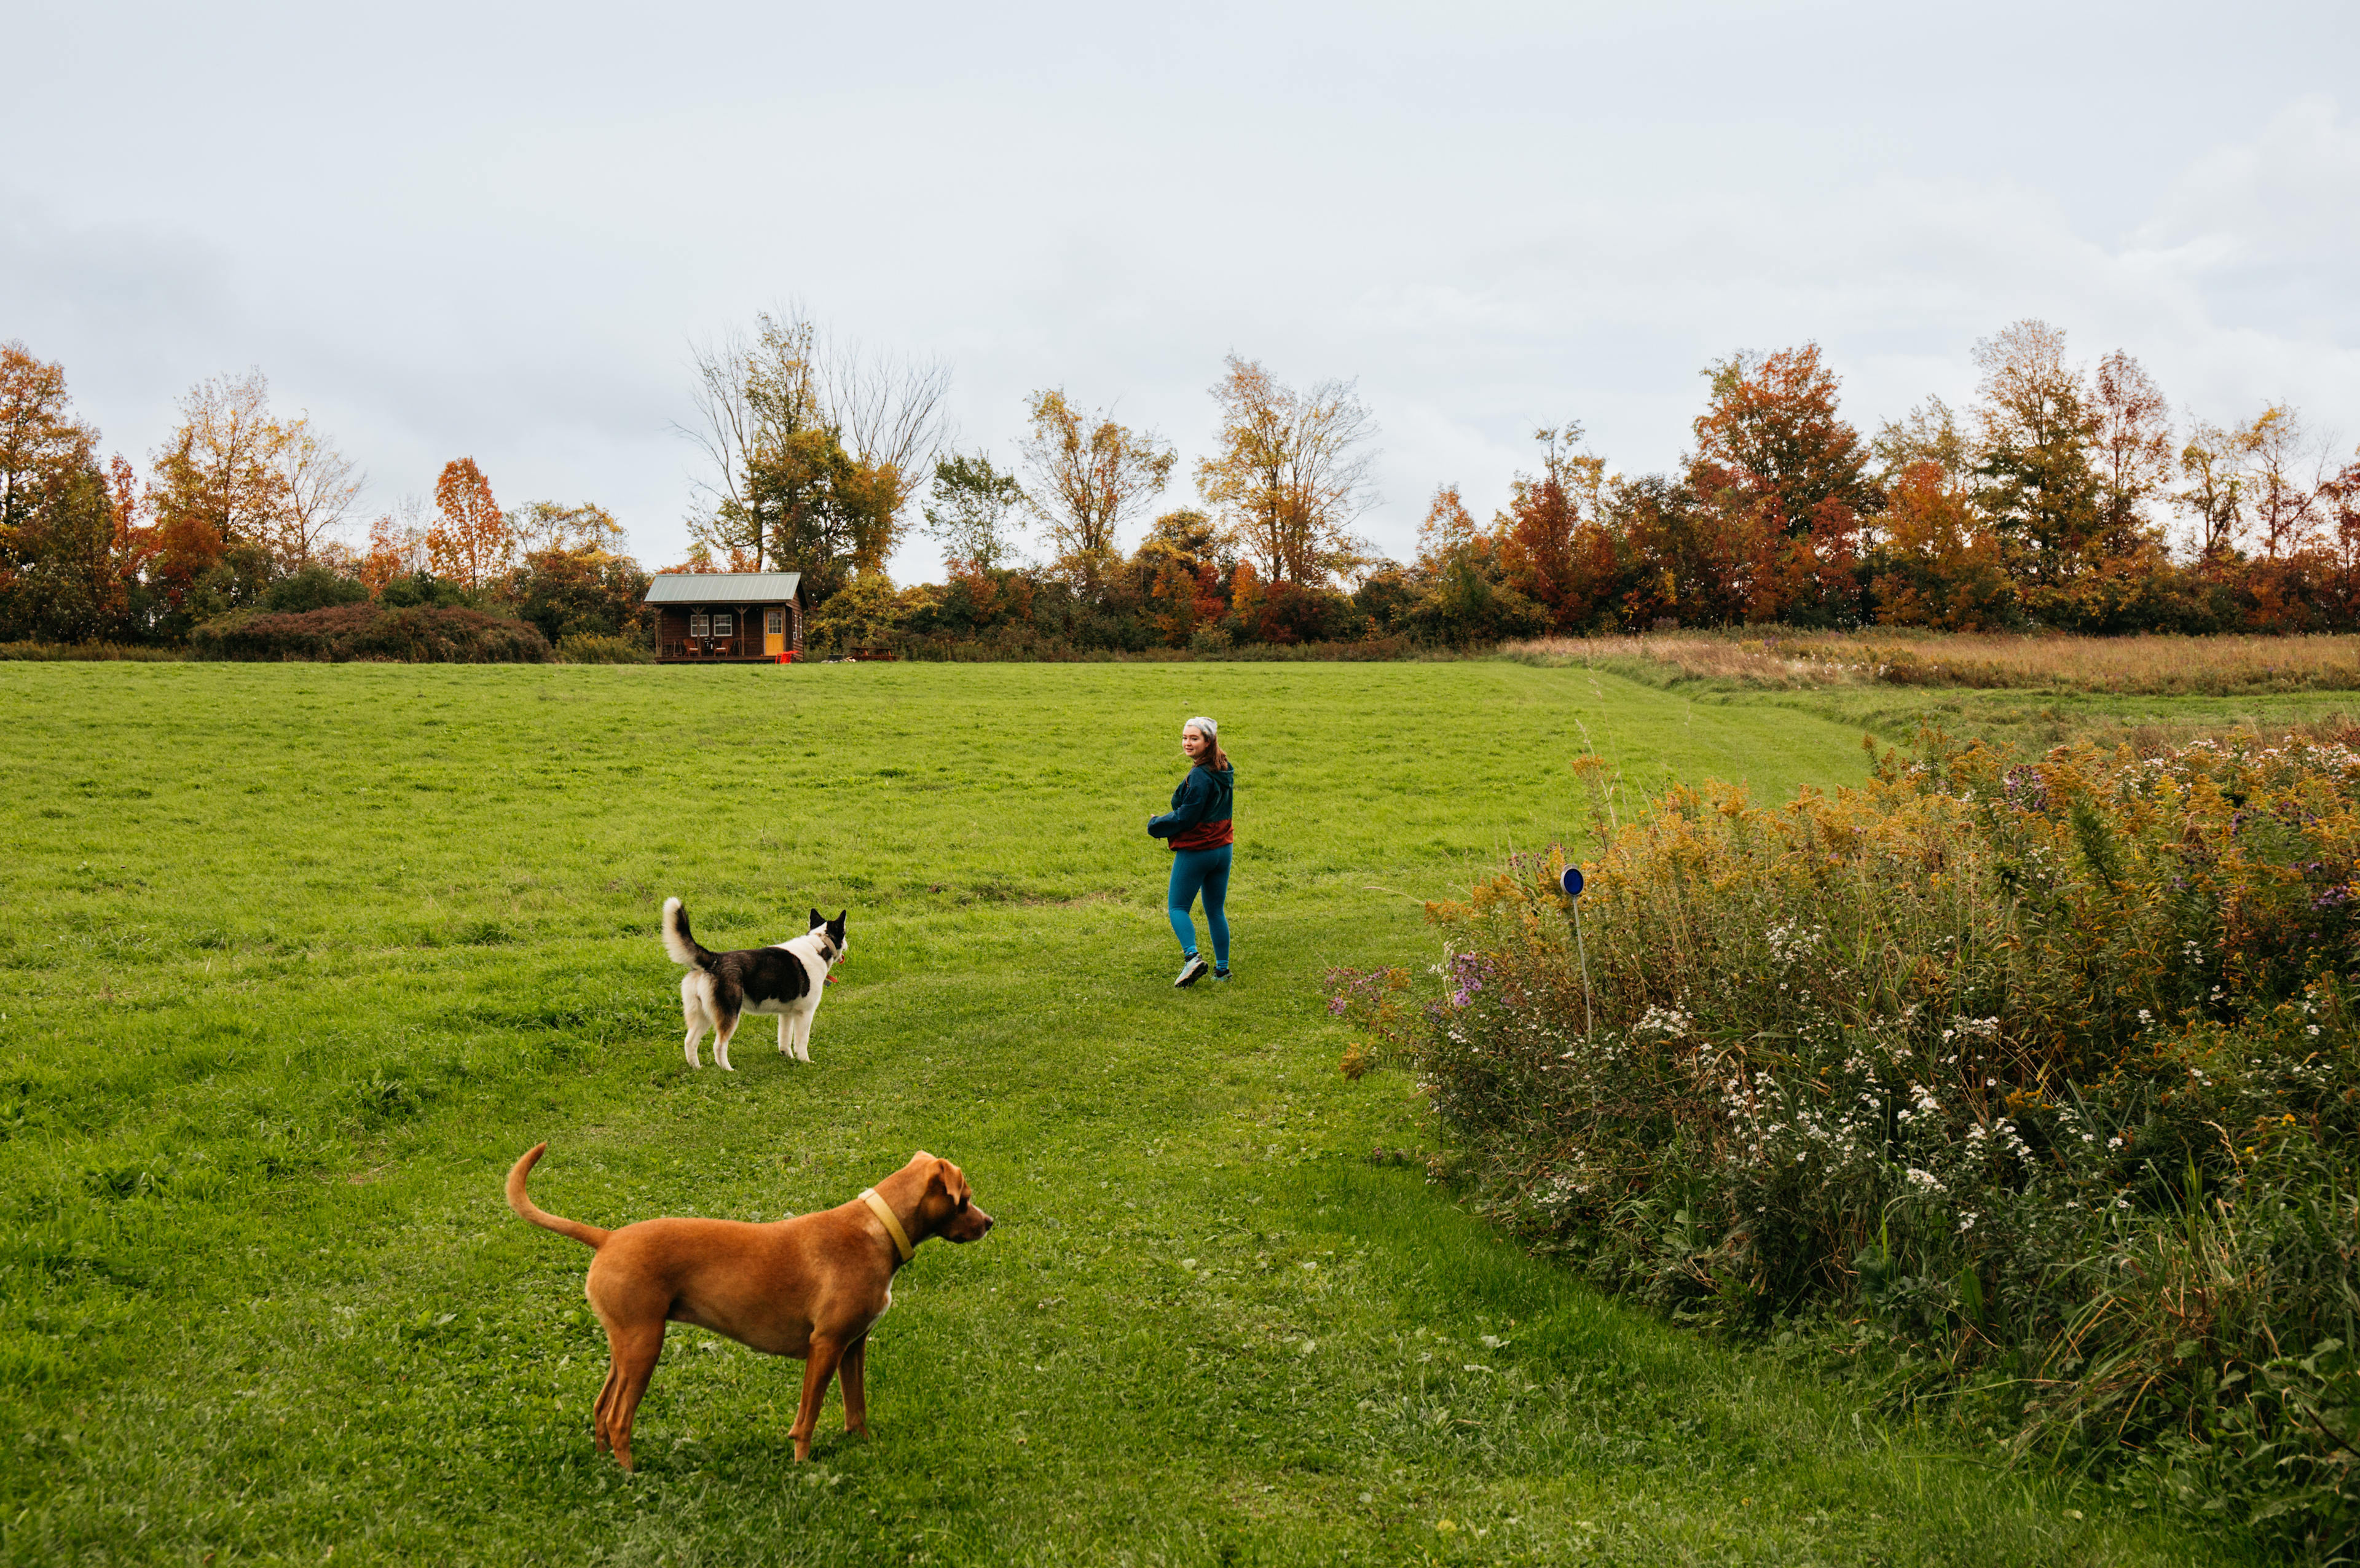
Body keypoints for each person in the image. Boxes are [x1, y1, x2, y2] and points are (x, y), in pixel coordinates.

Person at [1147, 715, 1233, 987]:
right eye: (1185, 737)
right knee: (1215, 911)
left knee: (1177, 907)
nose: (1187, 743)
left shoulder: (1199, 775)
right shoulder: (1224, 767)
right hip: (1223, 849)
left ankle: (1192, 958)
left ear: (1208, 741)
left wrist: (1156, 824)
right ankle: (1223, 971)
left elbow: (1187, 817)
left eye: (1194, 738)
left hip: (1198, 849)